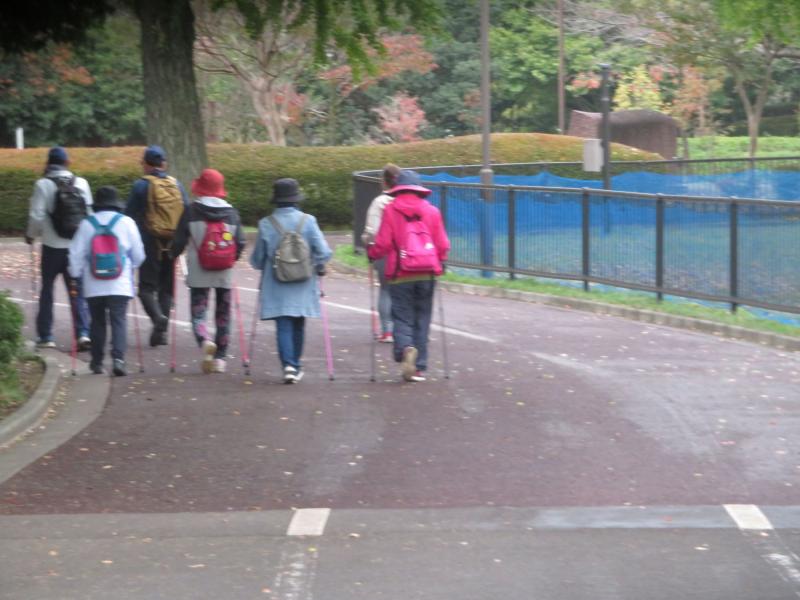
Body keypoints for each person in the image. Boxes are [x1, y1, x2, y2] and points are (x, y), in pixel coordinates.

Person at [367, 170, 450, 382]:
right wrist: (441, 260)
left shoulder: (391, 210)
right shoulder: (432, 211)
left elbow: (384, 243)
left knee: (402, 316)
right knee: (422, 318)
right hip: (427, 273)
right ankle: (419, 367)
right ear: (419, 189)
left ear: (398, 189)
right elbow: (442, 244)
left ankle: (405, 348)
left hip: (400, 273)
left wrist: (372, 253)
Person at [250, 178, 332, 384]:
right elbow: (323, 252)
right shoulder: (309, 221)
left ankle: (288, 365)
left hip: (277, 282)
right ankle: (295, 364)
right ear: (296, 199)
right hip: (303, 281)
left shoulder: (266, 224)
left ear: (276, 200)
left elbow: (257, 260)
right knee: (298, 322)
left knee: (283, 324)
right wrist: (317, 265)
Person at [170, 168, 245, 374]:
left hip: (198, 271)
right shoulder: (232, 213)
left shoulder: (191, 211)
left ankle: (204, 340)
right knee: (223, 315)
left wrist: (172, 255)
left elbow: (178, 242)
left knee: (198, 312)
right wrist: (231, 258)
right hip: (224, 272)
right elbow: (240, 242)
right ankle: (220, 358)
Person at [68, 186, 145, 376]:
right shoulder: (127, 222)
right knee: (119, 320)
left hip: (93, 283)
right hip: (120, 282)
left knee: (97, 321)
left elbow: (75, 254)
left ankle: (96, 361)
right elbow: (139, 255)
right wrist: (131, 266)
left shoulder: (87, 224)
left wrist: (76, 275)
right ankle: (118, 360)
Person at [25, 146, 93, 350]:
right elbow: (89, 213)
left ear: (48, 163)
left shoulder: (43, 184)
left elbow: (36, 216)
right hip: (75, 247)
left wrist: (31, 236)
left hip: (52, 246)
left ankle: (46, 335)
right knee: (77, 290)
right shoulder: (81, 183)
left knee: (47, 290)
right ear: (67, 163)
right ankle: (82, 333)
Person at [125, 145, 189, 347]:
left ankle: (157, 319)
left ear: (146, 164)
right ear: (163, 164)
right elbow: (186, 210)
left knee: (146, 288)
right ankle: (160, 333)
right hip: (172, 242)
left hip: (149, 241)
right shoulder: (176, 184)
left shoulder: (140, 186)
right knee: (166, 289)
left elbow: (129, 215)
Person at [361, 163, 401, 343]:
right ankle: (406, 329)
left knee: (386, 290)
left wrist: (366, 242)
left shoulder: (379, 203)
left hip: (385, 253)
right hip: (408, 253)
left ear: (384, 182)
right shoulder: (407, 200)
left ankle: (388, 331)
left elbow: (372, 232)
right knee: (405, 291)